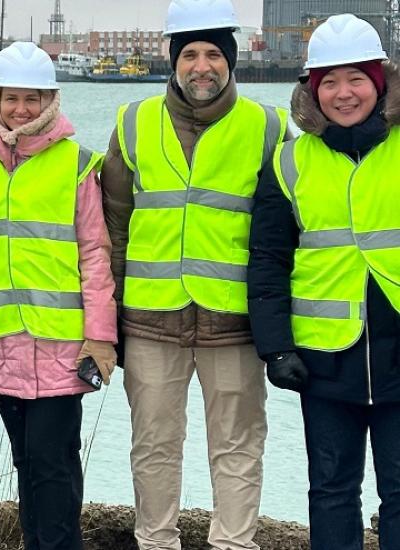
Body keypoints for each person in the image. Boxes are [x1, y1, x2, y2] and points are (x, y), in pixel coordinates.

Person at [100, 0, 289, 547]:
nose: (201, 66)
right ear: (173, 61)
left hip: (234, 321)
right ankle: (155, 541)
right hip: (151, 319)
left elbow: (285, 233)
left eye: (212, 54)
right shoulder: (133, 122)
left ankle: (234, 542)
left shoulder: (268, 126)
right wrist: (107, 317)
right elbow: (114, 222)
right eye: (189, 54)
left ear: (230, 61)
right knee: (153, 444)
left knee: (238, 445)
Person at [0, 41, 116, 549]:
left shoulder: (77, 164)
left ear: (50, 101)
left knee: (52, 463)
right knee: (27, 460)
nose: (21, 109)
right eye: (11, 98)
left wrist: (100, 339)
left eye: (32, 99)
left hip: (62, 343)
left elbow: (94, 255)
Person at [247, 13, 400, 550]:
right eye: (328, 81)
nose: (343, 93)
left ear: (380, 82)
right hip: (324, 360)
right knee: (332, 489)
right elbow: (267, 259)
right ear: (312, 90)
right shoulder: (289, 162)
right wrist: (275, 348)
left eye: (356, 78)